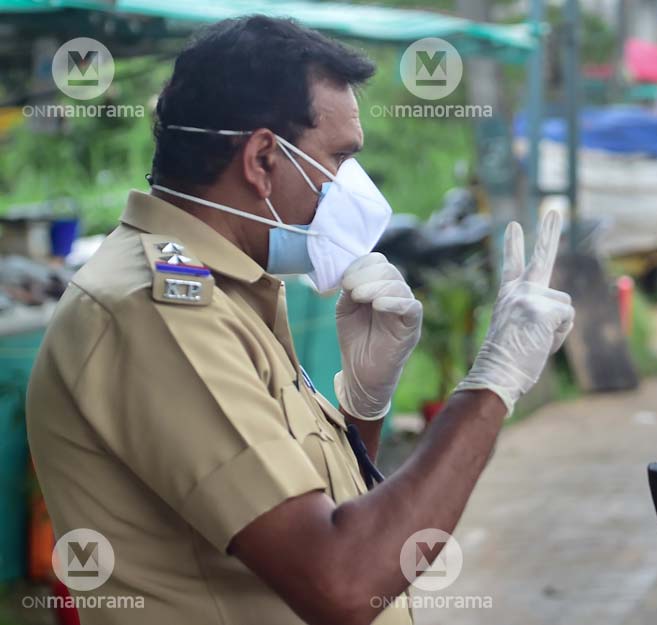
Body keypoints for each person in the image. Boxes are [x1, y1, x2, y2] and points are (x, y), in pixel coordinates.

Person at [25, 16, 574, 625]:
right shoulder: (156, 311)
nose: (355, 190)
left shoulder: (232, 292)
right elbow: (341, 580)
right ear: (262, 158)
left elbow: (317, 510)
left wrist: (364, 407)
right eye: (339, 160)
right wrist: (492, 384)